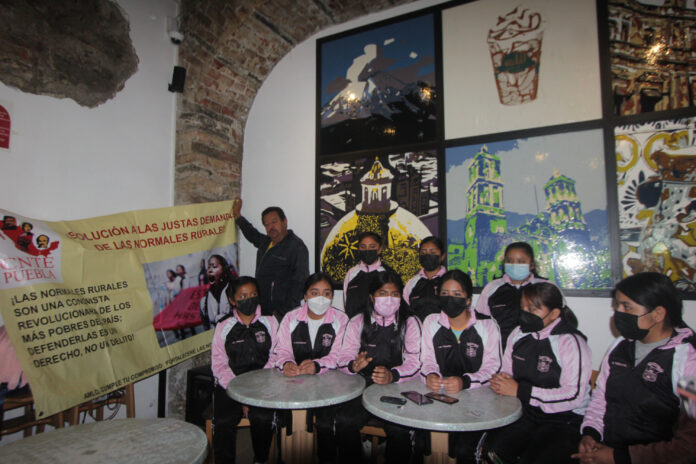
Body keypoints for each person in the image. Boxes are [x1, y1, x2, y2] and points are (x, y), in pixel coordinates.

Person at [573, 272, 696, 464]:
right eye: (617, 306)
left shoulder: (688, 361)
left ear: (658, 314)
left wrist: (619, 458)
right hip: (608, 448)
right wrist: (591, 433)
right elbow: (601, 397)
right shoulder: (620, 346)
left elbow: (689, 445)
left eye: (626, 307)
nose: (618, 313)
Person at [484, 282, 592, 464]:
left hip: (564, 419)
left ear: (554, 314)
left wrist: (521, 391)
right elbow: (507, 370)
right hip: (527, 411)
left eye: (532, 309)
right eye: (522, 308)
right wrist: (501, 381)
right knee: (492, 452)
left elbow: (573, 395)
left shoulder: (571, 342)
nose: (524, 313)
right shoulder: (518, 334)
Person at [335, 270, 421, 464]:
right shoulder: (358, 321)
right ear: (372, 297)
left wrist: (393, 375)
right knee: (345, 421)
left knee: (399, 430)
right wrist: (353, 366)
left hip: (398, 387)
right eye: (383, 293)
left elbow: (415, 362)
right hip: (363, 386)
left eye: (394, 294)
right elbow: (343, 358)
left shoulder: (410, 322)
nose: (389, 299)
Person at [420, 269, 502, 463]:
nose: (450, 299)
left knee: (464, 449)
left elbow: (493, 367)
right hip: (441, 397)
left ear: (468, 300)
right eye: (445, 293)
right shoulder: (431, 322)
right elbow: (427, 360)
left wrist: (465, 382)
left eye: (457, 294)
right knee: (425, 444)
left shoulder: (487, 325)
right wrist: (430, 375)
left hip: (478, 401)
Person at [274, 272, 349, 463]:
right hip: (294, 382)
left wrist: (317, 365)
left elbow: (339, 355)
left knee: (325, 424)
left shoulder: (341, 319)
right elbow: (281, 350)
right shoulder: (291, 318)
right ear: (305, 295)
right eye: (315, 293)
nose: (321, 298)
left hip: (329, 384)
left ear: (332, 296)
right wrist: (286, 363)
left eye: (327, 293)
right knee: (287, 420)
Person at [211, 276, 279, 464]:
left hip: (264, 383)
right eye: (243, 296)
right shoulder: (223, 325)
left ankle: (260, 459)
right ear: (232, 300)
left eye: (253, 295)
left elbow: (276, 355)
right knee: (224, 422)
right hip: (230, 384)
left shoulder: (269, 320)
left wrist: (255, 388)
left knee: (262, 418)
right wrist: (240, 393)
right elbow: (219, 364)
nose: (249, 299)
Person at [232, 198, 309, 318]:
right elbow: (252, 234)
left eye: (274, 222)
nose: (271, 227)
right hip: (262, 310)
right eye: (267, 224)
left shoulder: (296, 247)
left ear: (284, 221)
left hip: (281, 314)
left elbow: (300, 283)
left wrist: (283, 312)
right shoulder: (267, 242)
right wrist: (238, 216)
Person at [475, 242, 558, 349]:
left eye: (521, 261)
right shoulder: (492, 287)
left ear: (532, 264)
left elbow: (560, 321)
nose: (514, 265)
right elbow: (481, 322)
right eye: (509, 261)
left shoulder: (546, 287)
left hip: (538, 351)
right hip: (500, 351)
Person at [343, 231, 393, 319]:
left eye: (372, 246)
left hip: (378, 326)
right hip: (354, 325)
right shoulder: (352, 273)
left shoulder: (387, 273)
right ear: (359, 249)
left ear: (380, 249)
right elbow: (345, 301)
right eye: (363, 247)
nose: (367, 250)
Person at [404, 236, 447, 321]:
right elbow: (405, 309)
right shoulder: (412, 282)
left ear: (442, 256)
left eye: (433, 252)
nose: (427, 256)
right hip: (416, 328)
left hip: (443, 329)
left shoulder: (449, 281)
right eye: (423, 253)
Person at [200, 254, 233, 330]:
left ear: (224, 269)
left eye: (214, 267)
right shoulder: (204, 301)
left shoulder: (234, 290)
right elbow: (206, 326)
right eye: (208, 267)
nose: (210, 270)